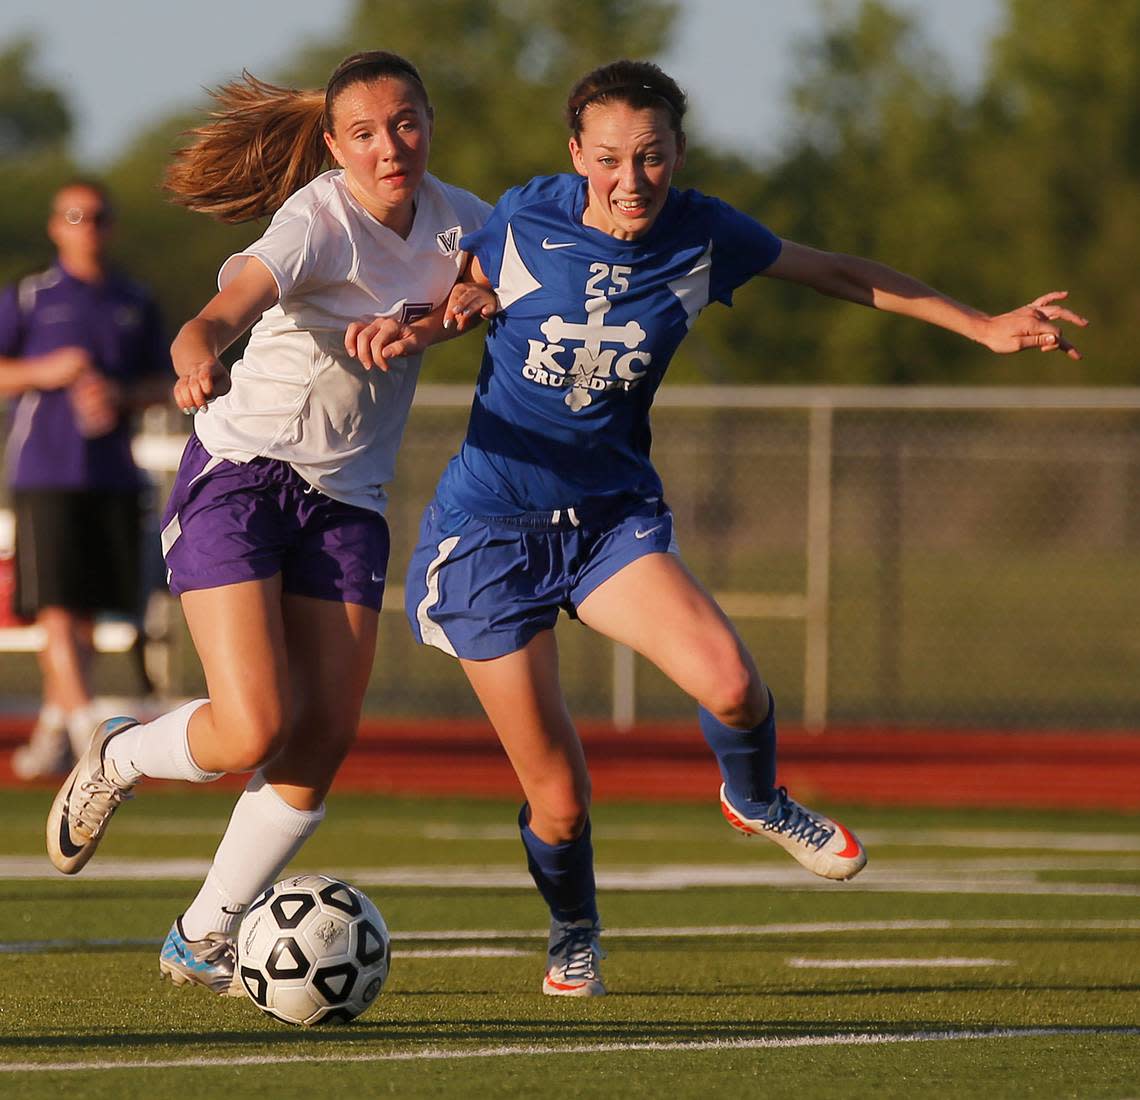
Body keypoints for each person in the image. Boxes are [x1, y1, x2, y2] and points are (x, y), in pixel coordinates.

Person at [367, 59, 1088, 997]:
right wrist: (432, 319)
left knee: (736, 686)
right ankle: (574, 928)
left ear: (678, 154)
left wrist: (984, 326)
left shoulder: (706, 235)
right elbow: (461, 293)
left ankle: (755, 799)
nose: (633, 181)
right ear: (577, 154)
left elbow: (838, 272)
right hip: (493, 533)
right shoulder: (521, 216)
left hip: (608, 519)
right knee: (561, 800)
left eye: (655, 157)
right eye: (613, 158)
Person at [44, 51, 493, 996]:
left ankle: (200, 937)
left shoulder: (465, 220)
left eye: (405, 123)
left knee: (321, 738)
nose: (389, 147)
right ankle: (122, 752)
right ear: (334, 145)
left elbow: (501, 290)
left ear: (430, 120)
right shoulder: (317, 218)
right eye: (364, 133)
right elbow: (218, 312)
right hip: (244, 477)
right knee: (252, 727)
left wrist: (458, 310)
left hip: (349, 503)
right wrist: (199, 351)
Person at [0, 180, 171, 780]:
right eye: (75, 216)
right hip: (45, 471)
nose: (87, 227)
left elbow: (167, 379)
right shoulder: (29, 296)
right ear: (55, 225)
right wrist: (45, 370)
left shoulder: (133, 298)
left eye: (98, 216)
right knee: (55, 609)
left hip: (113, 475)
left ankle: (54, 731)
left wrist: (119, 395)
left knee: (89, 613)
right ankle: (88, 737)